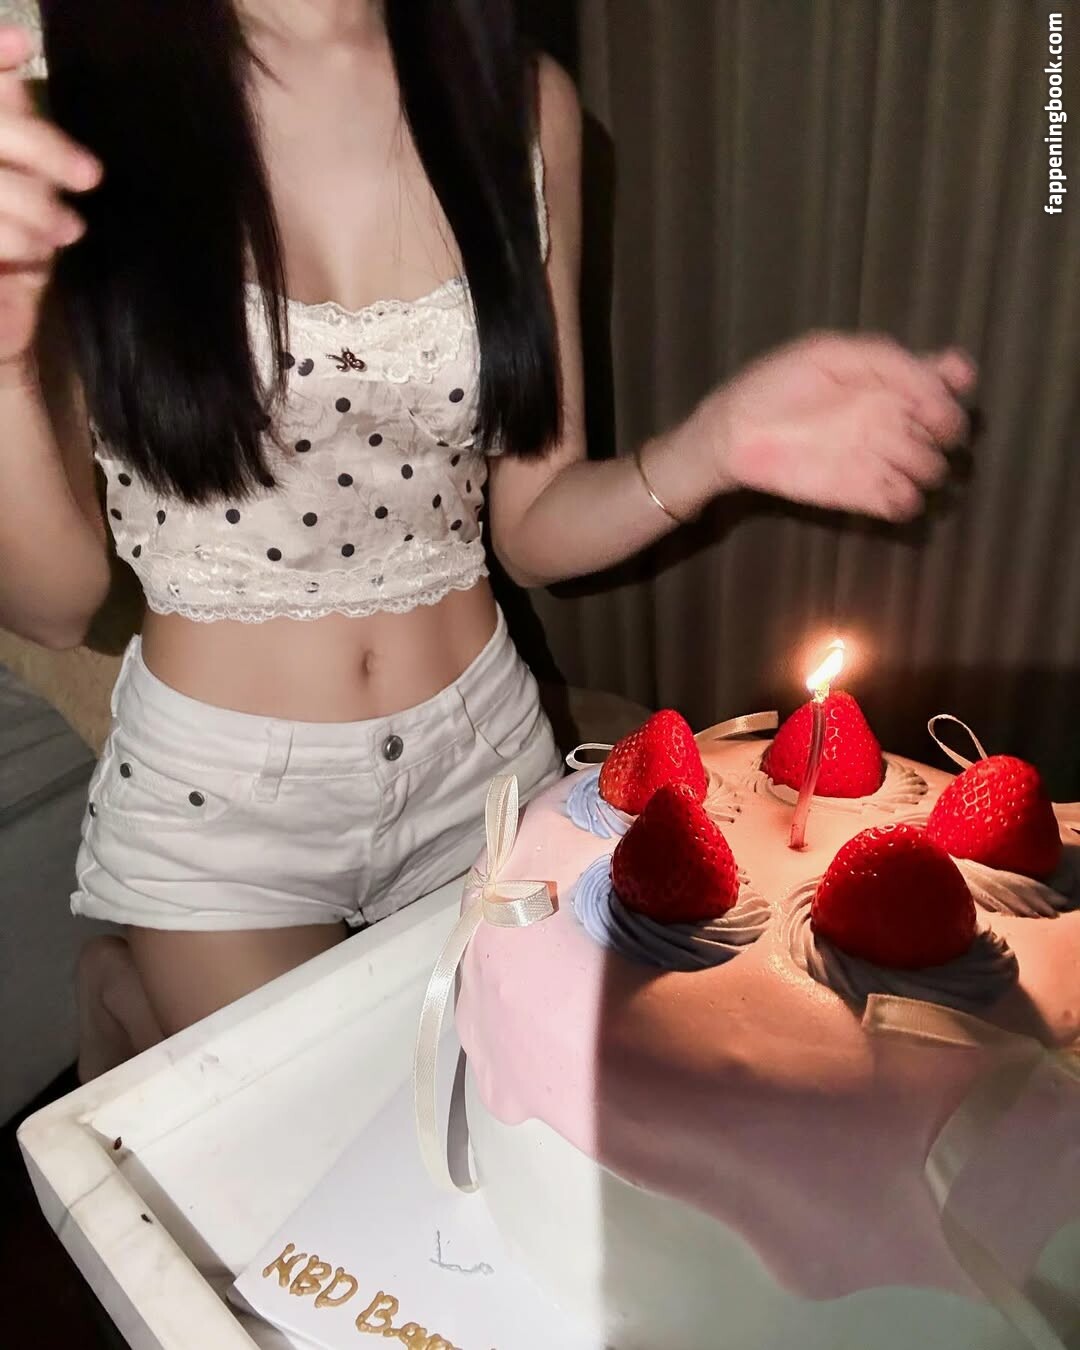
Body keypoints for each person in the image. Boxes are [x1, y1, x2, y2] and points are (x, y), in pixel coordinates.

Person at [0, 1, 974, 1078]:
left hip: (483, 752)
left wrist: (711, 449)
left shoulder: (516, 103)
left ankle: (137, 997)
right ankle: (132, 988)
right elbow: (52, 604)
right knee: (347, 1145)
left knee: (523, 1108)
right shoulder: (61, 98)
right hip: (222, 804)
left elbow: (534, 525)